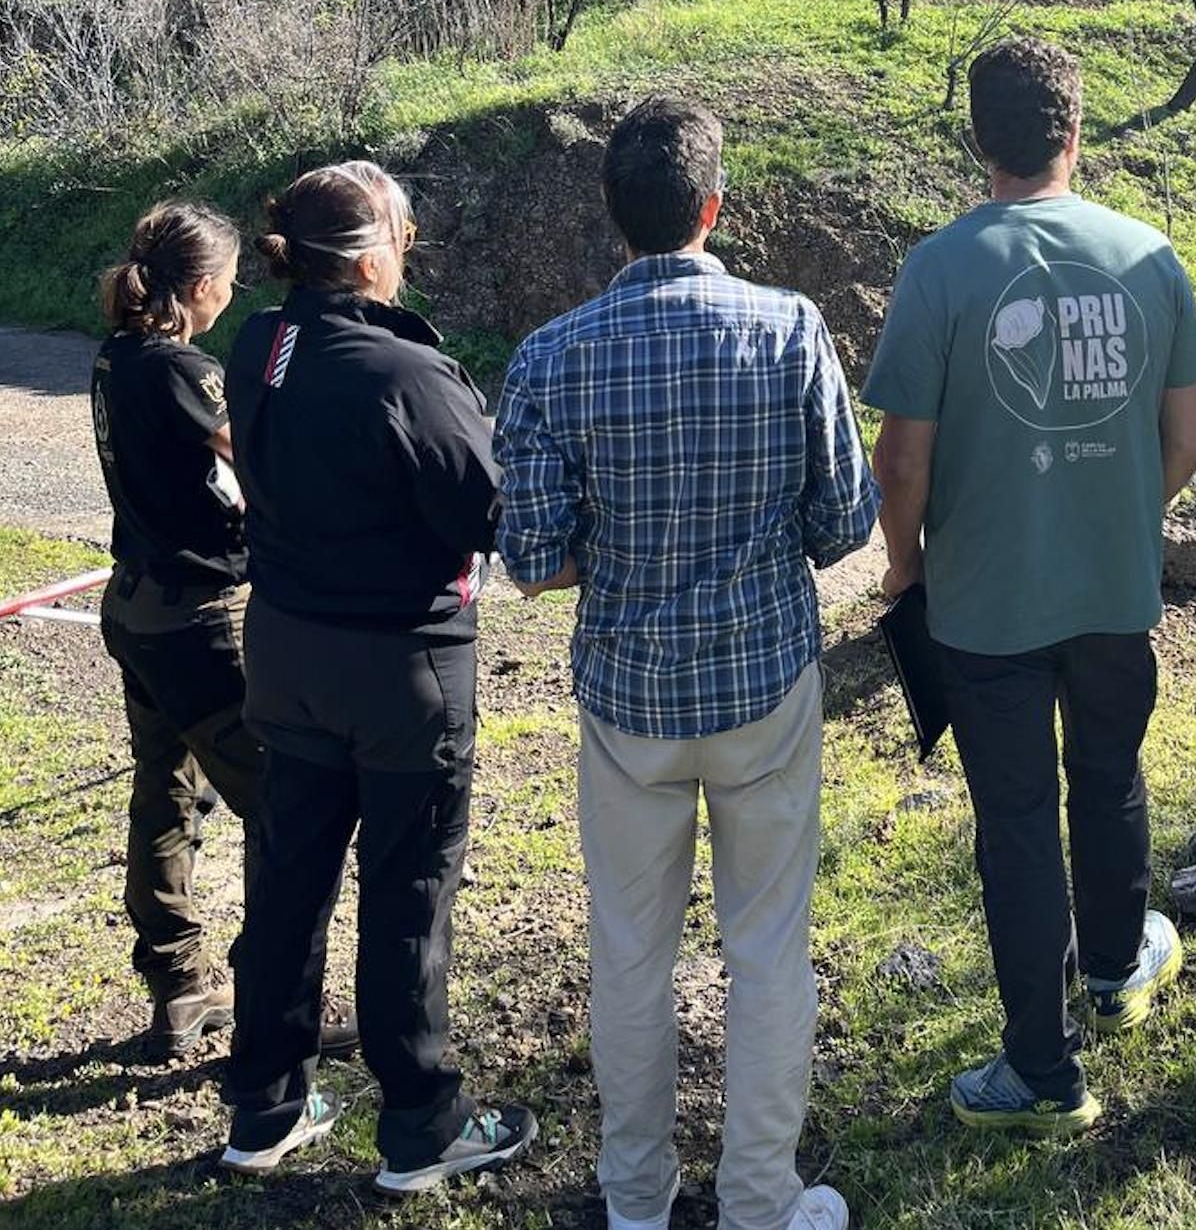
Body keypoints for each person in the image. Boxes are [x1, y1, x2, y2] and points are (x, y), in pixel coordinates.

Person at [496, 95, 875, 1230]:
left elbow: (529, 560)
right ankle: (761, 1198)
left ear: (615, 220)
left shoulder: (550, 356)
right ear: (714, 207)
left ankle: (635, 1198)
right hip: (762, 683)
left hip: (627, 699)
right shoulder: (792, 327)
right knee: (767, 952)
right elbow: (842, 521)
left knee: (628, 957)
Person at [863, 36, 1196, 1137]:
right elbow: (1189, 439)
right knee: (1107, 774)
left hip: (983, 604)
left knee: (1014, 824)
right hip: (1111, 589)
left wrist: (906, 565)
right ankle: (1114, 968)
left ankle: (1040, 1071)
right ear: (1076, 132)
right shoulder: (1149, 256)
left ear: (978, 142)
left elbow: (901, 460)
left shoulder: (939, 268)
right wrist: (1121, 517)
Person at [218, 160, 535, 1191]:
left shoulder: (260, 343)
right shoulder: (405, 375)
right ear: (367, 258)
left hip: (286, 653)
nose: (412, 246)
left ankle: (263, 1104)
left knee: (287, 880)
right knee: (406, 895)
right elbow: (489, 512)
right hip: (400, 668)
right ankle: (420, 1123)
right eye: (403, 230)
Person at [92, 203, 252, 1058]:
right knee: (279, 806)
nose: (234, 291)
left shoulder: (117, 356)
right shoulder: (184, 368)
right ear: (200, 287)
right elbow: (249, 456)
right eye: (228, 279)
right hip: (196, 614)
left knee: (165, 791)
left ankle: (179, 980)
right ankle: (275, 992)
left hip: (138, 602)